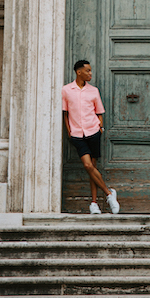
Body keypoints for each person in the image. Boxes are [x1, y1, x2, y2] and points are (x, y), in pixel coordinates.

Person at [62, 59, 120, 214]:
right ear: (78, 71)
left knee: (92, 168)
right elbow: (65, 114)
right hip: (77, 134)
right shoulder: (66, 90)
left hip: (93, 132)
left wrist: (99, 127)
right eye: (87, 70)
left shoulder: (93, 91)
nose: (90, 73)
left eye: (90, 70)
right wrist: (69, 131)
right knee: (88, 166)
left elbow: (99, 111)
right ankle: (109, 193)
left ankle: (94, 203)